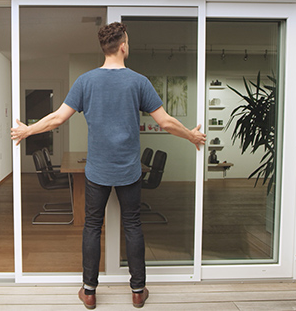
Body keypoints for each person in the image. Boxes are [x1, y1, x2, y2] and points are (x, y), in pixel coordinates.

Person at [11, 22, 206, 309]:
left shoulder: (85, 81)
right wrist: (192, 136)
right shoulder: (139, 82)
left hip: (98, 172)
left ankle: (89, 292)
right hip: (129, 171)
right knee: (133, 226)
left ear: (105, 48)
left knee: (91, 227)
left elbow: (56, 119)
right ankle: (138, 291)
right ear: (124, 46)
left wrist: (26, 131)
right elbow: (165, 122)